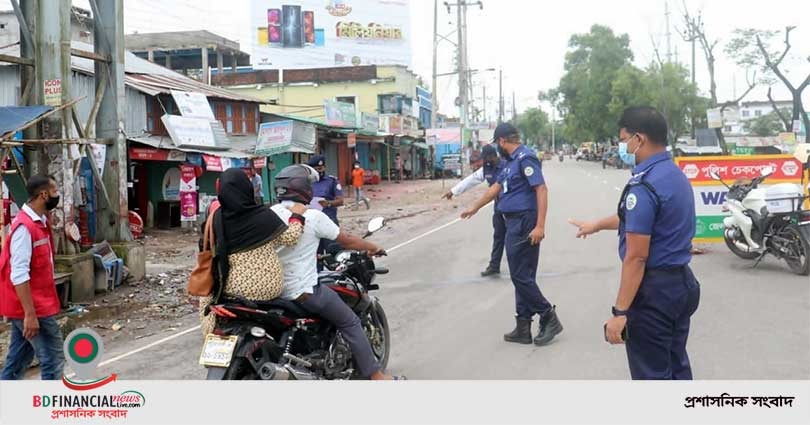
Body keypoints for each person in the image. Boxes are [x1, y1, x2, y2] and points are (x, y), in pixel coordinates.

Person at [569, 106, 700, 380]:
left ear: (638, 139)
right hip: (681, 285)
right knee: (676, 365)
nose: (622, 146)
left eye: (623, 139)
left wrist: (620, 312)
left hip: (654, 294)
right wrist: (597, 225)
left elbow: (637, 256)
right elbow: (643, 222)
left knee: (651, 376)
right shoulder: (674, 175)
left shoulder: (644, 185)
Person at [270, 165, 404, 380]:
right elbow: (347, 240)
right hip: (303, 291)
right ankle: (377, 376)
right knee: (350, 321)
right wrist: (372, 247)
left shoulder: (269, 213)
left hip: (272, 292)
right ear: (303, 188)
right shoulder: (313, 216)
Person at [460, 123, 563, 346]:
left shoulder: (526, 158)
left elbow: (541, 189)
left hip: (524, 221)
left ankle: (548, 315)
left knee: (519, 276)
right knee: (522, 275)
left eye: (498, 143)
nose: (497, 147)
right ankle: (523, 326)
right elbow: (495, 189)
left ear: (503, 141)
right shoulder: (509, 163)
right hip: (512, 222)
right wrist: (474, 207)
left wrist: (540, 226)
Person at [198, 168, 307, 336]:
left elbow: (205, 248)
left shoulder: (215, 218)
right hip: (265, 290)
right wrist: (297, 217)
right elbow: (290, 238)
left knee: (206, 304)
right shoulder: (261, 215)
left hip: (228, 290)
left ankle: (209, 337)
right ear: (247, 189)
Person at [0, 175, 64, 380]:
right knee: (52, 358)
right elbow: (18, 274)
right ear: (43, 195)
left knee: (18, 360)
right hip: (31, 307)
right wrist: (29, 314)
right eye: (55, 192)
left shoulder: (39, 223)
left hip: (33, 304)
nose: (57, 196)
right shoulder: (25, 228)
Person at [442, 144, 506, 277]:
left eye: (487, 158)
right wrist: (453, 191)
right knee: (498, 237)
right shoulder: (486, 169)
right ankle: (494, 266)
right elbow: (471, 180)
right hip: (499, 207)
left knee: (514, 239)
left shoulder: (506, 166)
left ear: (492, 156)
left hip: (513, 208)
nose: (485, 161)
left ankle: (519, 267)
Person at [306, 155, 344, 225]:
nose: (317, 171)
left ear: (325, 167)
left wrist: (328, 203)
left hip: (329, 219)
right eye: (315, 169)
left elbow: (341, 201)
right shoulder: (307, 182)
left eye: (320, 168)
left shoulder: (332, 181)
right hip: (312, 220)